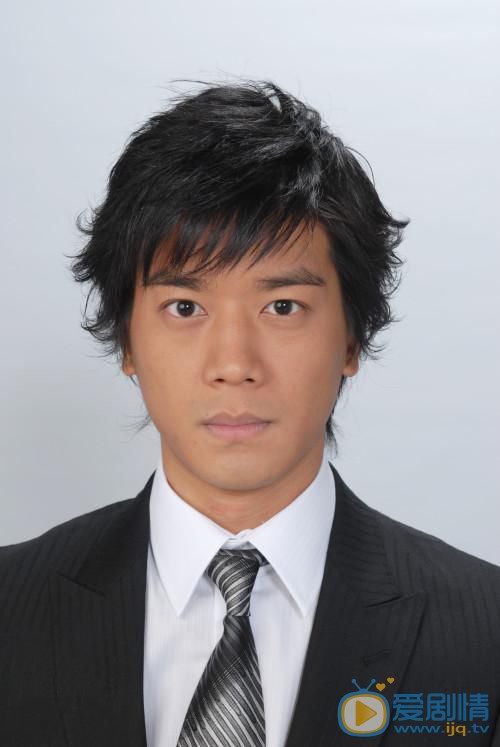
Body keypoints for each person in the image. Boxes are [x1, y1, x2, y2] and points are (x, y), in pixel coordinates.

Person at [1, 80, 499, 747]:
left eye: (282, 307)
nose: (234, 363)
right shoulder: (10, 606)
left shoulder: (485, 630)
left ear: (351, 339)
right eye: (185, 307)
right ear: (127, 342)